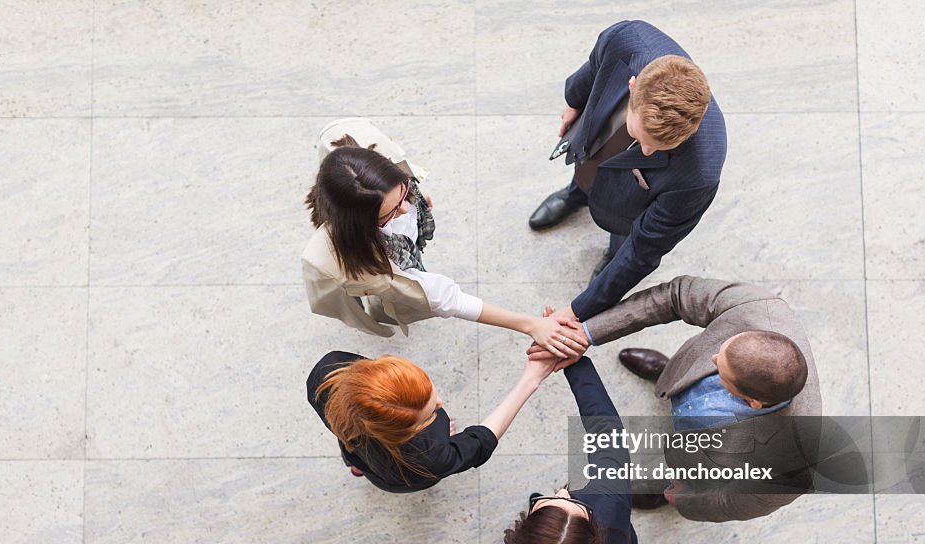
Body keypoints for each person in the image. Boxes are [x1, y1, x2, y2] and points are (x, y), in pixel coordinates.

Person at [531, 275, 822, 522]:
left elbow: (734, 503)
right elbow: (675, 295)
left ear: (754, 403)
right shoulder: (759, 308)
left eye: (721, 369)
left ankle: (657, 488)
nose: (713, 356)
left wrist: (681, 499)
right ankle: (667, 374)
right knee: (687, 372)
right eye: (724, 349)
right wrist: (585, 333)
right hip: (693, 375)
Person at [302, 118, 586, 359]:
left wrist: (411, 194)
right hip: (384, 269)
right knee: (391, 299)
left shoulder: (369, 177)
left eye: (403, 192)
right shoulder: (367, 263)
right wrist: (531, 324)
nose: (405, 209)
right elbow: (449, 300)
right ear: (361, 222)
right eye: (389, 214)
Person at [528, 21, 727, 325]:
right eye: (644, 138)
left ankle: (610, 254)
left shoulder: (698, 176)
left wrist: (580, 310)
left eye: (660, 146)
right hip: (601, 136)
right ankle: (575, 195)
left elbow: (643, 250)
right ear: (632, 86)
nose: (646, 153)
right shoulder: (627, 38)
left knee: (624, 233)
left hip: (630, 203)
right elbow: (596, 64)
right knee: (590, 162)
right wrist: (573, 101)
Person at [486, 355, 639, 544]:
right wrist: (574, 361)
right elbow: (607, 434)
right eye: (570, 501)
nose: (562, 491)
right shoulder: (610, 504)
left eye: (555, 499)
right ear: (595, 537)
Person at [307, 350, 557, 493]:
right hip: (400, 478)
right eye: (428, 416)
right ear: (403, 433)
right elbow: (479, 443)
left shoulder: (327, 372)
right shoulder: (430, 457)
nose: (441, 402)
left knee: (357, 458)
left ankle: (357, 467)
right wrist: (531, 380)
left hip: (356, 447)